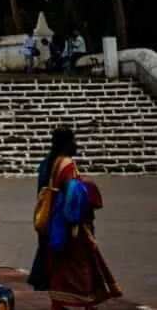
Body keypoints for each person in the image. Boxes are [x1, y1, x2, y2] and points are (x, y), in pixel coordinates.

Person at [27, 127, 122, 308]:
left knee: (57, 263)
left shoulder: (49, 162)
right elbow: (73, 195)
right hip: (68, 222)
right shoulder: (67, 164)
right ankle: (87, 301)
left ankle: (58, 303)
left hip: (51, 219)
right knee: (82, 262)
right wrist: (76, 220)